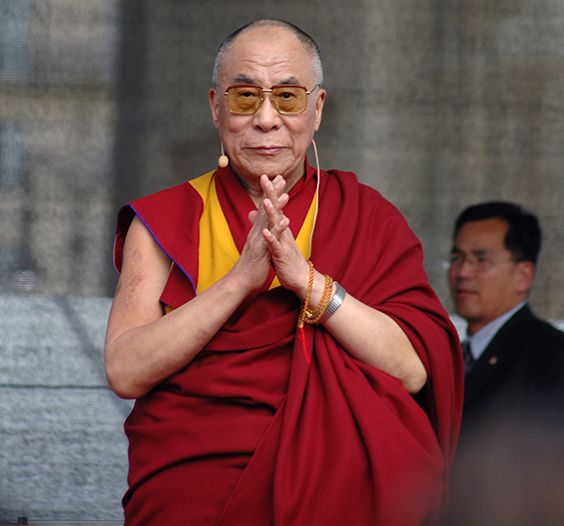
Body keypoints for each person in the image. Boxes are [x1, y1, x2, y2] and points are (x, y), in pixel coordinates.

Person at [104, 19, 462, 525]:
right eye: (245, 96)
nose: (267, 119)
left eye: (288, 98)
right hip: (193, 499)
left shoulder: (366, 216)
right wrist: (238, 283)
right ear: (216, 107)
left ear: (317, 111)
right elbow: (124, 369)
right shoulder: (167, 219)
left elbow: (413, 369)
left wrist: (307, 282)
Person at [446, 201, 564, 524]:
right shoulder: (447, 354)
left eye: (481, 260)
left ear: (523, 275)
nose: (463, 272)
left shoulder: (552, 356)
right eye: (457, 258)